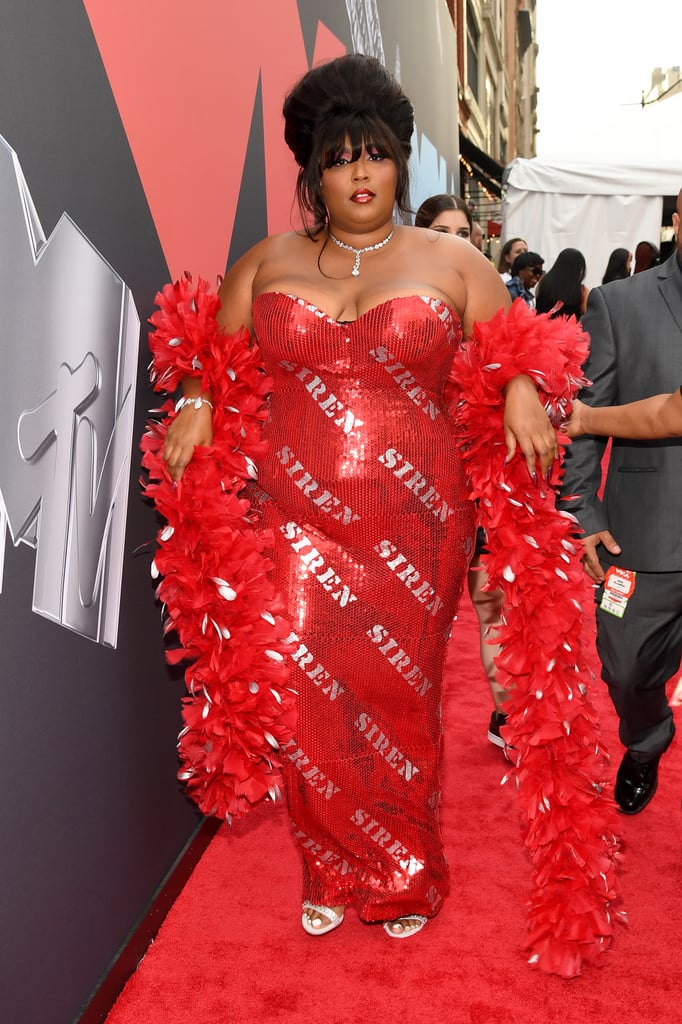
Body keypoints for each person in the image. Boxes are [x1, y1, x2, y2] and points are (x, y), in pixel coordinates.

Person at [159, 54, 559, 941]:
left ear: (399, 162)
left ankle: (406, 872)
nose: (361, 173)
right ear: (315, 172)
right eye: (340, 159)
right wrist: (192, 402)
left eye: (375, 154)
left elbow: (520, 351)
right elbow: (213, 366)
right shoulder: (266, 262)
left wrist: (524, 386)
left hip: (419, 522)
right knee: (309, 699)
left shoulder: (453, 259)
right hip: (292, 519)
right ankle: (331, 864)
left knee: (400, 698)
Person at [559, 187, 682, 815]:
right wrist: (584, 512)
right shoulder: (618, 303)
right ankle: (646, 738)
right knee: (625, 668)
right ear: (678, 218)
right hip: (639, 535)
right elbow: (584, 420)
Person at [415, 193, 509, 750]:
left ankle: (510, 719)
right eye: (442, 231)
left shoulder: (491, 309)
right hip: (410, 487)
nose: (456, 241)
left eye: (464, 232)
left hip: (481, 480)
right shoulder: (399, 312)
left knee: (491, 602)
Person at [535, 247, 588, 319]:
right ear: (579, 269)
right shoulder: (582, 291)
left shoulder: (543, 282)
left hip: (541, 327)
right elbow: (588, 315)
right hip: (570, 329)